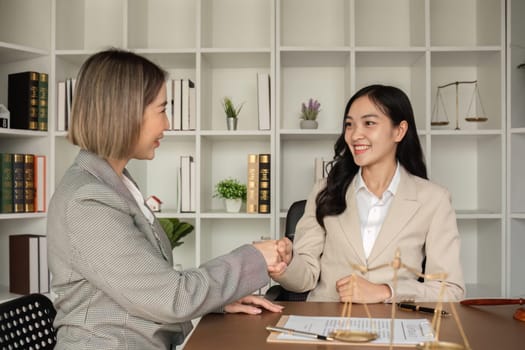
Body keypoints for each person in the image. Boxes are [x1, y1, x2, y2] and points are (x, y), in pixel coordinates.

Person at [47, 49, 286, 350]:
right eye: (161, 110)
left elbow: (147, 289)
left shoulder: (115, 184)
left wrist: (218, 300)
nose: (168, 123)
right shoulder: (88, 201)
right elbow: (171, 298)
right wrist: (254, 256)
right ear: (125, 112)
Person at [272, 84, 465, 303]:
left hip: (395, 326)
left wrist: (386, 291)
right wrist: (287, 263)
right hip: (327, 322)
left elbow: (449, 289)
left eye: (369, 123)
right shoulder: (325, 191)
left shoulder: (434, 199)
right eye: (349, 125)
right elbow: (305, 277)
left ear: (399, 131)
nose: (355, 135)